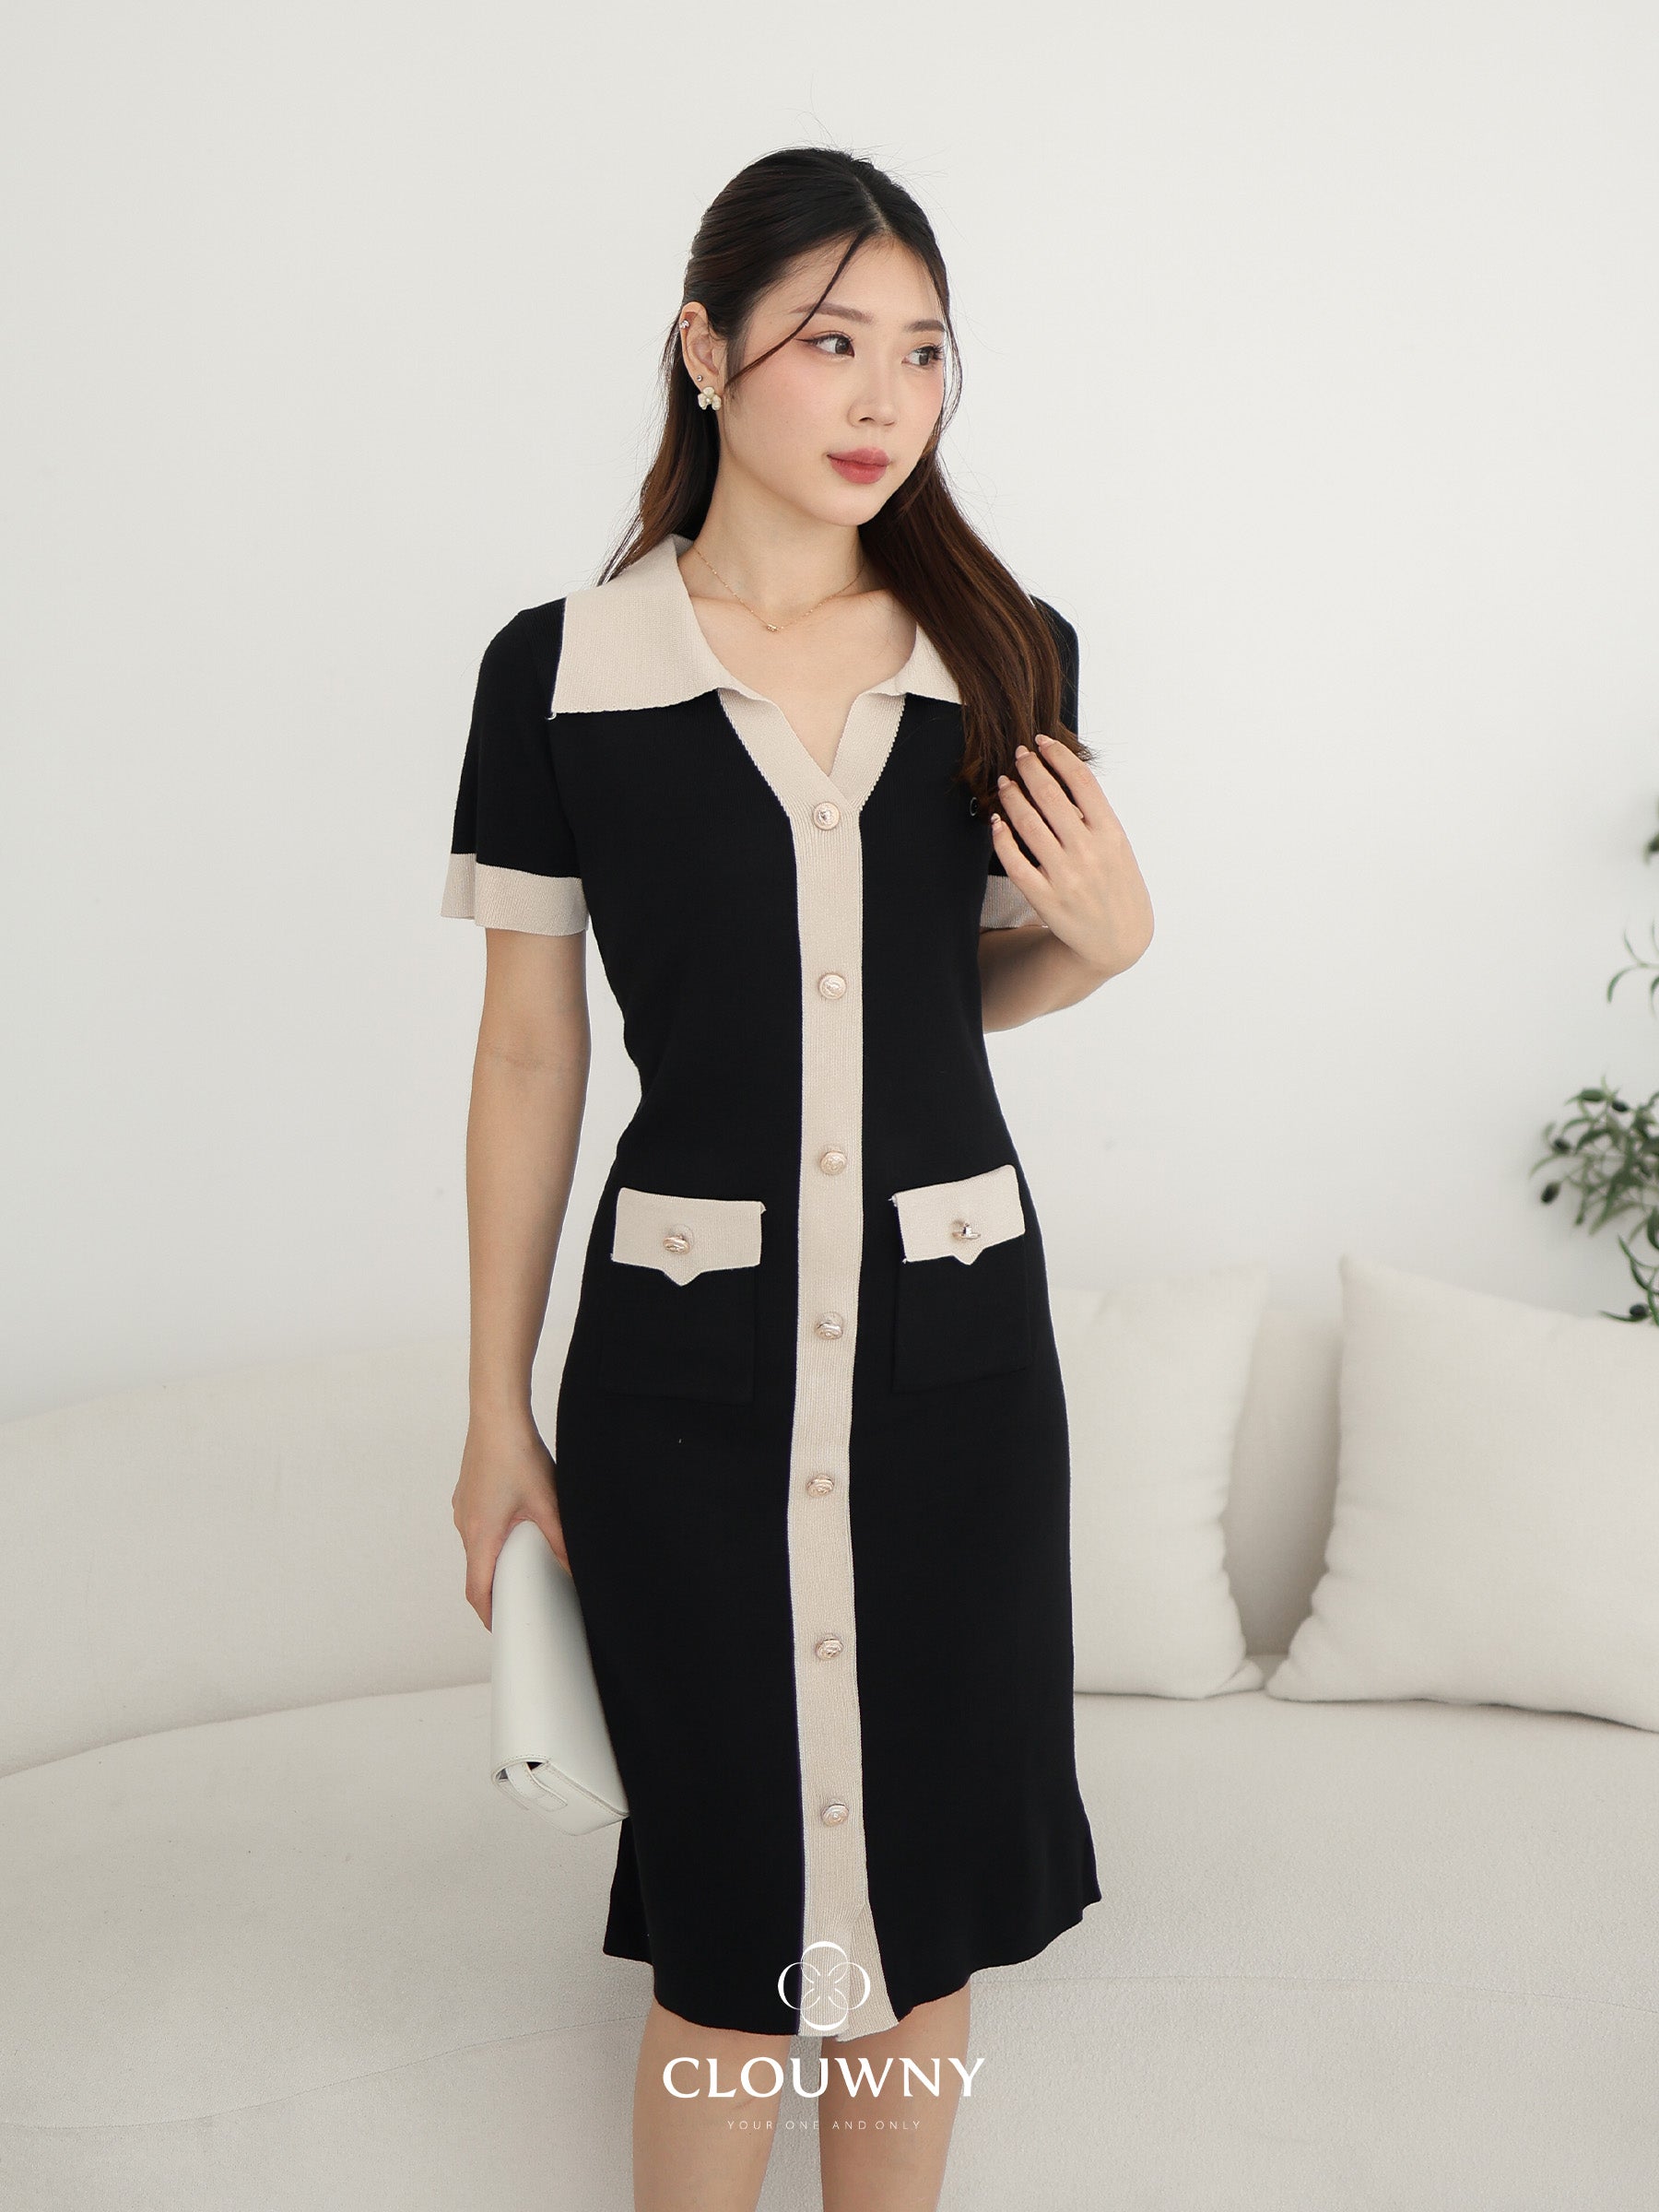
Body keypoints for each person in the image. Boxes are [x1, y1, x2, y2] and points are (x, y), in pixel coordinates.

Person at [441, 144, 1155, 2212]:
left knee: (917, 1920)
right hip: (684, 1382)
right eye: (833, 342)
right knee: (729, 1926)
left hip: (958, 1377)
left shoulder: (1009, 648)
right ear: (705, 350)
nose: (882, 398)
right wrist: (493, 1408)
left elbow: (934, 1005)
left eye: (923, 353)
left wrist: (1104, 950)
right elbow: (529, 1050)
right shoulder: (559, 673)